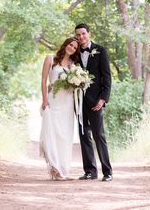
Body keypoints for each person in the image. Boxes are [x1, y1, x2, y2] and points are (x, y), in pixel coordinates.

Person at [75, 23, 113, 182]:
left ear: (88, 34)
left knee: (99, 136)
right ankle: (90, 171)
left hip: (96, 101)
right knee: (84, 136)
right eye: (78, 35)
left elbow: (107, 77)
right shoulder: (75, 53)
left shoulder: (100, 50)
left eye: (83, 34)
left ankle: (107, 172)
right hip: (79, 101)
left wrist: (103, 99)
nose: (81, 37)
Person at [39, 37, 80, 181]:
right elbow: (44, 81)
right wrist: (44, 100)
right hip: (53, 101)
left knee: (65, 136)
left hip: (67, 103)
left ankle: (63, 170)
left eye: (75, 48)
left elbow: (76, 84)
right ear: (65, 44)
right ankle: (54, 168)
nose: (72, 48)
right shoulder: (50, 58)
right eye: (71, 45)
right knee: (52, 133)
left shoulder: (73, 65)